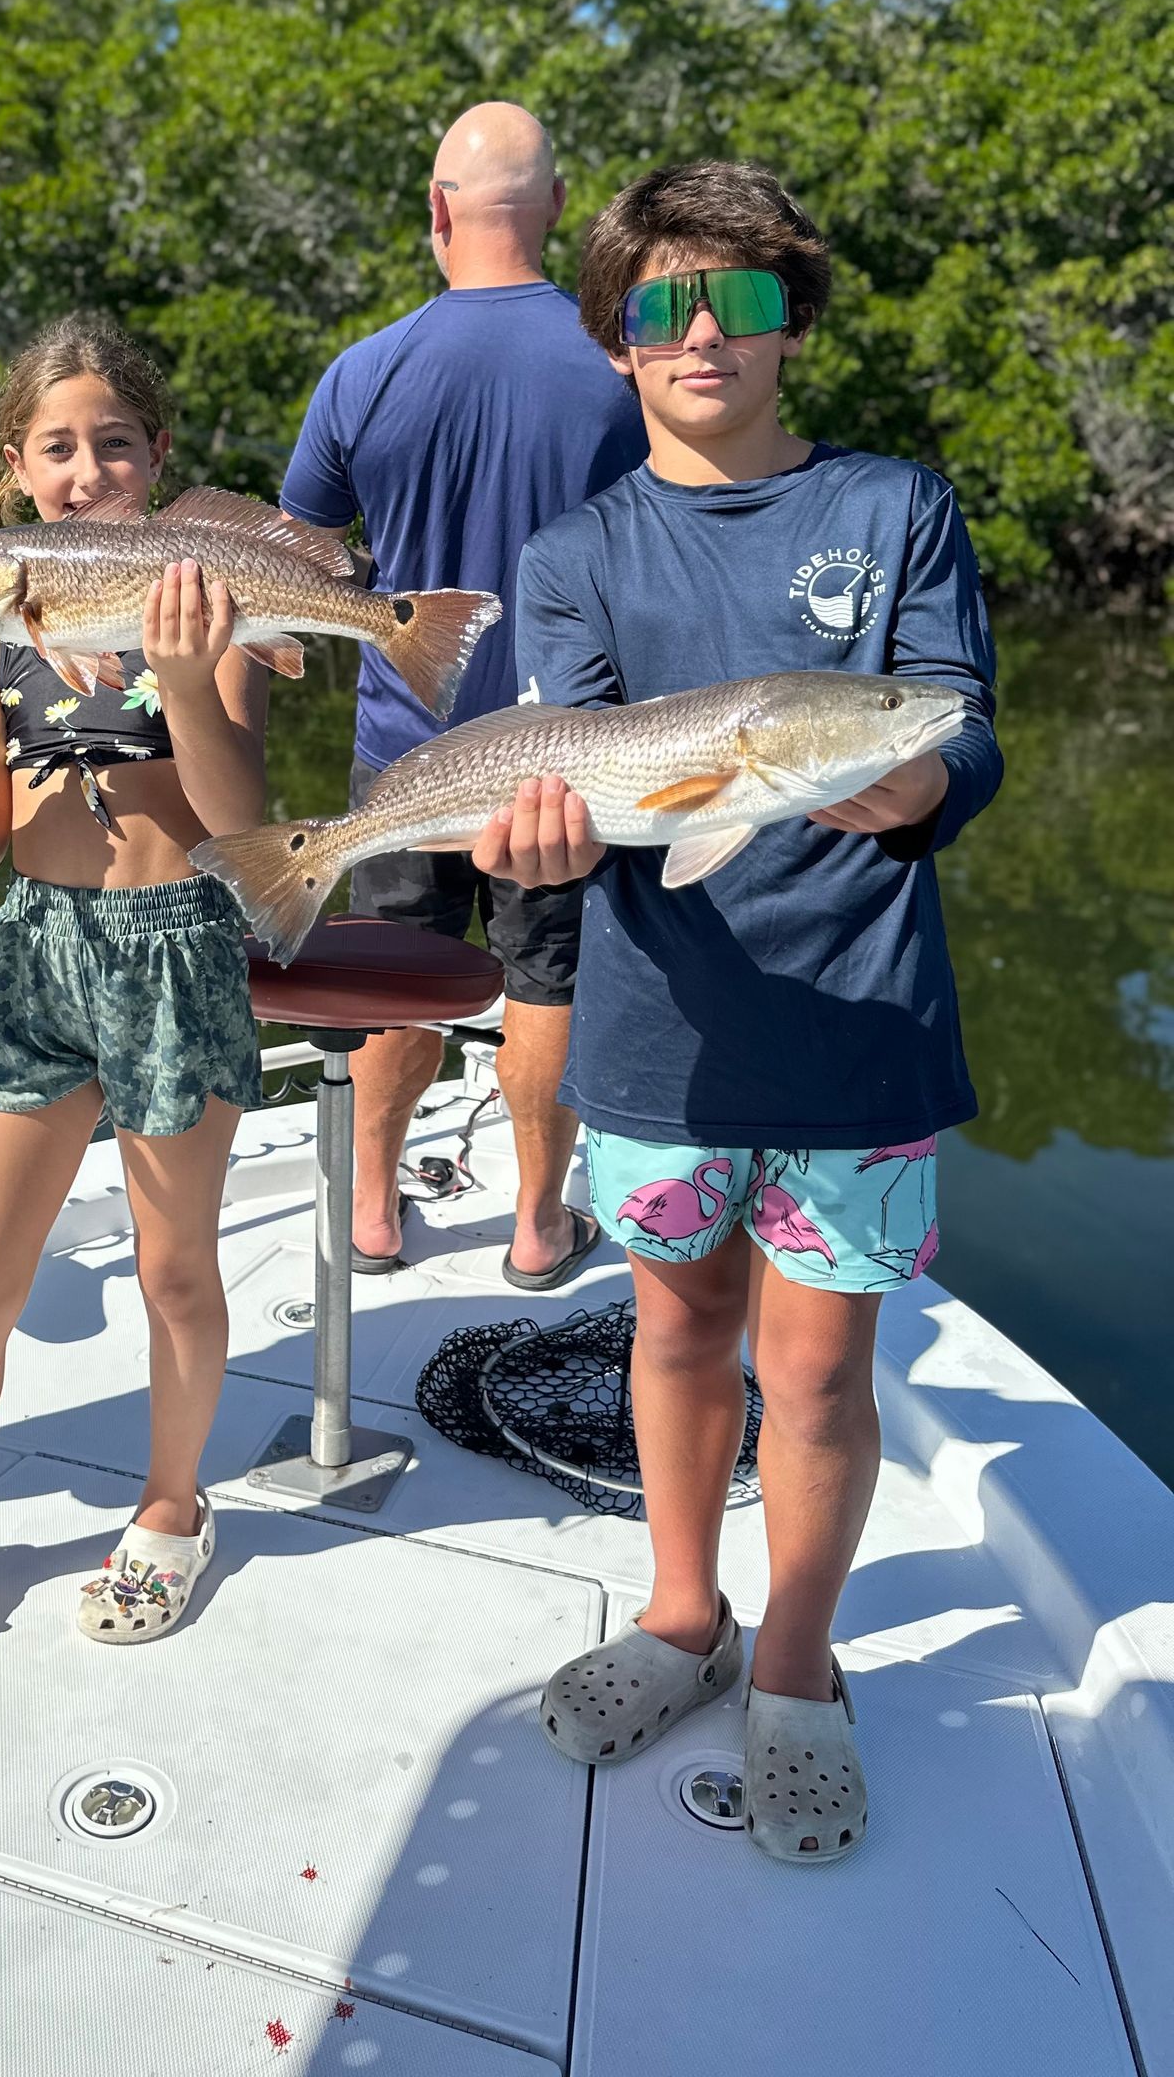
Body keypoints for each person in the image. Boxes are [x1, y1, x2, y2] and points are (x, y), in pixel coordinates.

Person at [473, 161, 1002, 1860]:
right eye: (664, 305)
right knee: (678, 1334)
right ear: (615, 340)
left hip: (862, 1026)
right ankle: (684, 1613)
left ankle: (795, 1666)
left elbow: (959, 723)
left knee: (823, 1376)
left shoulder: (895, 509)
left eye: (745, 300)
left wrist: (917, 781)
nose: (704, 335)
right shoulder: (573, 554)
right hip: (659, 1036)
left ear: (794, 323)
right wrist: (538, 847)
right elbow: (573, 779)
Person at [0, 312, 267, 1676]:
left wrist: (183, 677)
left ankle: (173, 1506)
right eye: (57, 448)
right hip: (39, 947)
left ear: (156, 456)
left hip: (180, 944)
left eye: (113, 444)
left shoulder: (207, 606)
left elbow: (240, 823)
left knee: (175, 1269)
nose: (86, 470)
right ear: (17, 469)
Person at [279, 101, 646, 1285]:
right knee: (549, 977)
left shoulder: (364, 370)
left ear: (436, 211)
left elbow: (301, 559)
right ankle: (538, 1226)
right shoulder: (622, 368)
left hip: (407, 746)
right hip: (569, 754)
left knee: (395, 969)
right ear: (558, 208)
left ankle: (371, 1213)